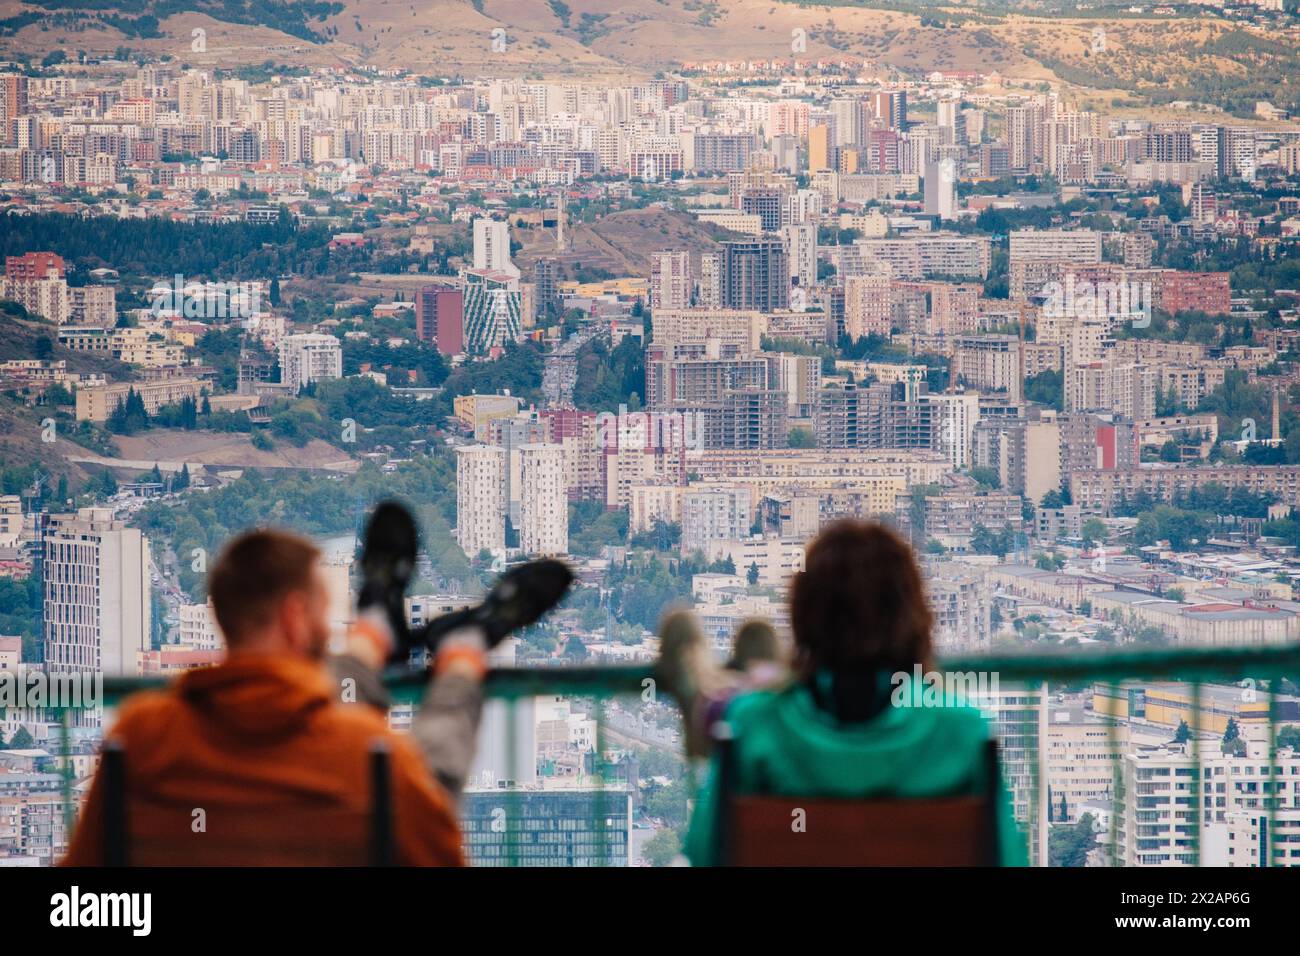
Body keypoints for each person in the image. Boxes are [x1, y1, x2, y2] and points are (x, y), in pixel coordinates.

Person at [63, 503, 571, 866]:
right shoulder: (366, 751)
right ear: (294, 616)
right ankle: (463, 646)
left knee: (296, 689)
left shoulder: (141, 736)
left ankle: (377, 627)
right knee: (434, 762)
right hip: (370, 782)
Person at [658, 519, 1027, 866]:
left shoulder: (755, 727)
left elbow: (706, 853)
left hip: (770, 716)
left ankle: (710, 682)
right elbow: (1005, 858)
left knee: (741, 705)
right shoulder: (960, 733)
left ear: (804, 617)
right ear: (912, 617)